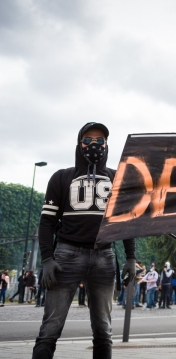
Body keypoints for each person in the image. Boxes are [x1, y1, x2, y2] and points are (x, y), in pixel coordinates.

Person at [33, 122, 137, 358]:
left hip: (104, 255)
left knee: (103, 329)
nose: (94, 145)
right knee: (50, 327)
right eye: (88, 140)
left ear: (107, 145)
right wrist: (48, 258)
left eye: (100, 141)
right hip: (67, 255)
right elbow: (47, 222)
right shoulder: (61, 177)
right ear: (79, 144)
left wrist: (131, 257)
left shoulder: (117, 178)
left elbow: (126, 221)